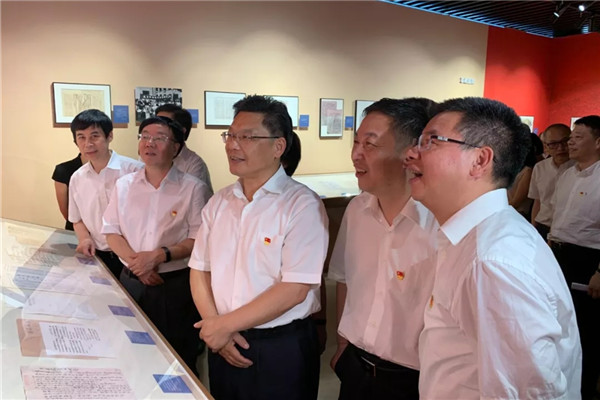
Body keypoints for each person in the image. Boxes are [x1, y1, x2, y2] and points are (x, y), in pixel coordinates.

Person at [405, 97, 582, 399]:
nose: (411, 153)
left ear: (480, 160)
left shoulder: (493, 261)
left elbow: (529, 393)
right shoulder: (475, 238)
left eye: (431, 141)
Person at [189, 95, 328, 400]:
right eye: (230, 135)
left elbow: (296, 287)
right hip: (222, 340)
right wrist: (216, 327)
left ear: (279, 146)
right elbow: (199, 269)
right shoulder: (220, 201)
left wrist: (223, 326)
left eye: (247, 137)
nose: (233, 145)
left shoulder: (301, 205)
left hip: (279, 345)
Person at [328, 98, 438, 400]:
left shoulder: (439, 222)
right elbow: (344, 278)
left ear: (411, 153)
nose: (356, 154)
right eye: (356, 142)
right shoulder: (357, 210)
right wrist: (342, 344)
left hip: (414, 380)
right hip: (356, 365)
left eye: (370, 144)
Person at [102, 116, 211, 375]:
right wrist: (139, 265)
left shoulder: (193, 188)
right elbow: (111, 231)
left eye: (159, 138)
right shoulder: (124, 185)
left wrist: (159, 256)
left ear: (176, 148)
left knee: (177, 358)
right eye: (145, 137)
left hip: (173, 286)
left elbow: (199, 239)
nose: (149, 143)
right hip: (131, 281)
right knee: (131, 353)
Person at [549, 115, 600, 400]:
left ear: (598, 142)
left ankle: (584, 390)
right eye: (572, 136)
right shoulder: (567, 174)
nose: (570, 142)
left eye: (579, 137)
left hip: (588, 260)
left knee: (586, 332)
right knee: (558, 323)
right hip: (559, 253)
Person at [68, 109, 142, 278]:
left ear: (110, 136)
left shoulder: (135, 171)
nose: (88, 144)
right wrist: (84, 239)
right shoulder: (77, 178)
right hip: (97, 255)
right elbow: (76, 219)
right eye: (81, 137)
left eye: (95, 136)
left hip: (134, 256)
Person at [528, 123, 574, 239]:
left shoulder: (580, 168)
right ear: (546, 146)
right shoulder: (540, 168)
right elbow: (537, 201)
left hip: (570, 230)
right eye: (553, 144)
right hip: (543, 226)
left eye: (565, 141)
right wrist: (533, 229)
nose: (560, 148)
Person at [155, 104, 213, 194]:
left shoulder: (195, 164)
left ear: (181, 131)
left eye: (164, 124)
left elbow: (190, 196)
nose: (156, 129)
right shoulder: (149, 155)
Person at [52, 152, 88, 230]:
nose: (88, 145)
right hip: (77, 229)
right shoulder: (64, 170)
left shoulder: (114, 169)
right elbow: (66, 211)